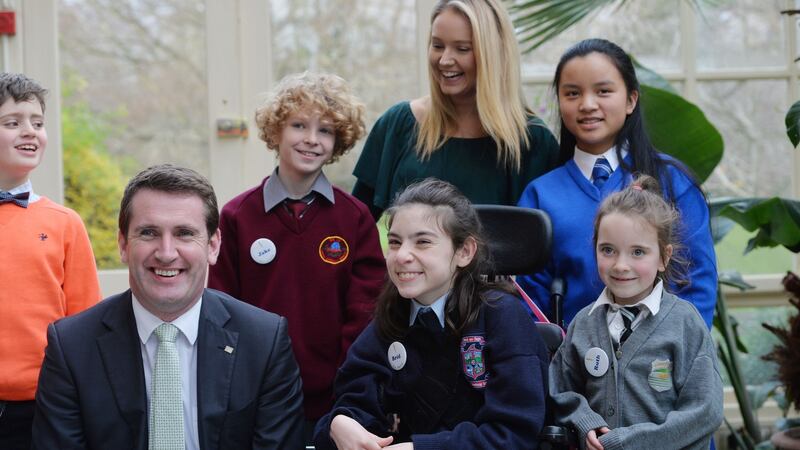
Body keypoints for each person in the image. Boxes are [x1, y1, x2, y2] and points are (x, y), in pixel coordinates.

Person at [32, 164, 304, 449]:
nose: (166, 253)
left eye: (184, 233)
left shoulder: (263, 342)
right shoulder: (71, 347)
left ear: (213, 246)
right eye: (148, 233)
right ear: (123, 244)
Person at [207, 72, 386, 439]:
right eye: (299, 125)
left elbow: (367, 311)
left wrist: (347, 381)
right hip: (255, 395)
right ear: (276, 132)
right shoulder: (237, 216)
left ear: (338, 142)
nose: (311, 139)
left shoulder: (354, 218)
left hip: (336, 399)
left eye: (325, 131)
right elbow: (221, 309)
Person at [314, 178, 549, 450]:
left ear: (464, 251)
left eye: (422, 242)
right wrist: (340, 423)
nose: (402, 255)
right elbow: (355, 398)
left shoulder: (502, 317)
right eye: (395, 242)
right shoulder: (390, 320)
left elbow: (514, 434)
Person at [517, 38, 717, 327]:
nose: (587, 104)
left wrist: (676, 357)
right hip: (570, 364)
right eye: (572, 93)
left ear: (631, 99)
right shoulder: (539, 196)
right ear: (560, 103)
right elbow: (528, 301)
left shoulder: (673, 182)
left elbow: (697, 285)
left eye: (603, 91)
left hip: (661, 365)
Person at [549, 176, 723, 450]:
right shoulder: (584, 323)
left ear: (664, 257)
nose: (620, 265)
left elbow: (704, 413)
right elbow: (561, 389)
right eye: (608, 250)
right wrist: (585, 422)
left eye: (638, 252)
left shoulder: (685, 323)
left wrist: (629, 443)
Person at [351, 0, 559, 220]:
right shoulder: (398, 124)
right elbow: (353, 229)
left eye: (462, 49)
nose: (444, 60)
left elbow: (549, 243)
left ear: (493, 55)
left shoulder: (533, 142)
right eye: (438, 45)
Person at [0, 73, 100, 450]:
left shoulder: (65, 224)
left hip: (45, 403)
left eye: (37, 123)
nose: (29, 132)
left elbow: (86, 322)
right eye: (13, 123)